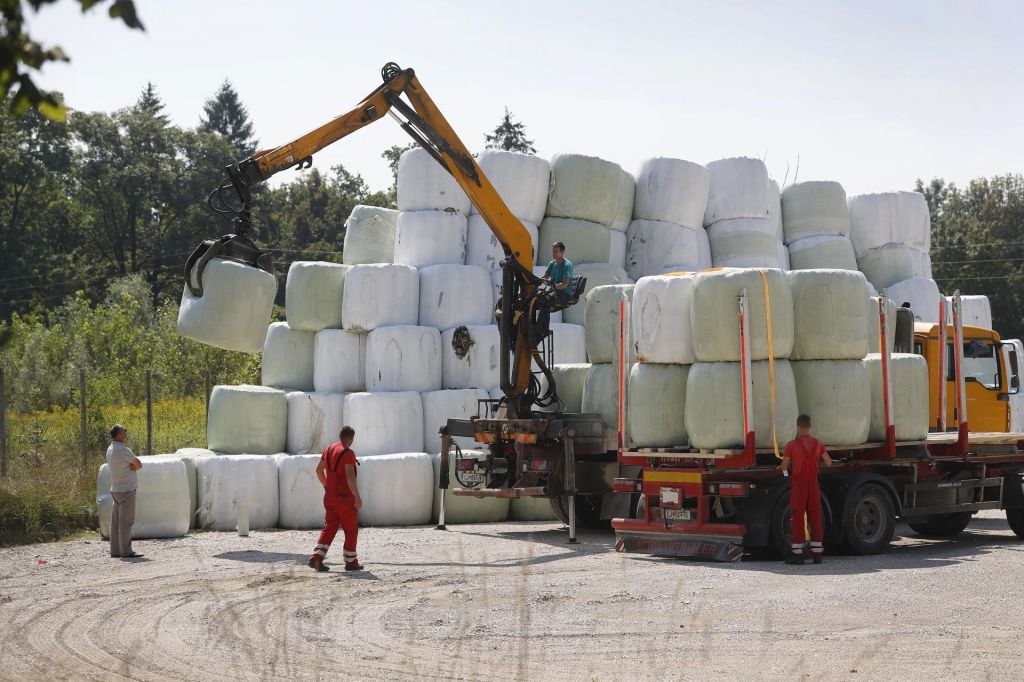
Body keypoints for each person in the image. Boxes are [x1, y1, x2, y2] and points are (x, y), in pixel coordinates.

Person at [778, 414, 832, 565]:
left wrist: (783, 472)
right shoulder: (818, 443)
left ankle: (798, 555)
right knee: (815, 517)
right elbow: (828, 462)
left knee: (797, 518)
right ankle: (817, 555)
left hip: (799, 485)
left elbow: (784, 466)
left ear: (798, 427)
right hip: (813, 485)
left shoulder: (791, 445)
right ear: (810, 426)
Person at [309, 426, 363, 572]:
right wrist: (357, 497)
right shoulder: (348, 453)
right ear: (351, 439)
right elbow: (350, 476)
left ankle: (317, 557)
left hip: (330, 497)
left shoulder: (328, 450)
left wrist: (328, 487)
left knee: (330, 527)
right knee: (351, 530)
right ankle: (351, 561)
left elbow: (319, 471)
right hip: (344, 499)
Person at [106, 424, 143, 559]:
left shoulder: (110, 449)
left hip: (116, 489)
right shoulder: (123, 450)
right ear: (119, 435)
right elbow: (138, 464)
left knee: (116, 522)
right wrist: (133, 467)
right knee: (126, 522)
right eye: (123, 432)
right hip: (127, 489)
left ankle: (115, 551)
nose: (125, 434)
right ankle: (126, 551)